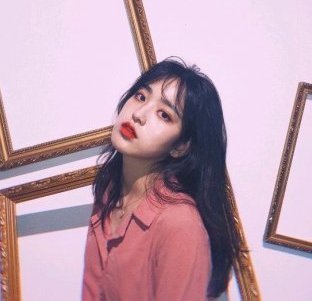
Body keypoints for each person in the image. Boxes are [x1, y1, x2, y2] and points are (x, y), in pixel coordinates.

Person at [82, 58, 239, 300]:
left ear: (181, 146)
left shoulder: (180, 225)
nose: (138, 115)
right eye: (141, 96)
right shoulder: (110, 188)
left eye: (164, 115)